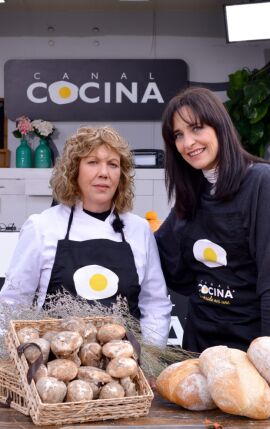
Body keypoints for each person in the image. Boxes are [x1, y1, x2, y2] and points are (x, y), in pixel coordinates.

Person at [155, 86, 270, 353]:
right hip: (200, 342)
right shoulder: (194, 191)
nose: (187, 143)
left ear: (219, 127)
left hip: (254, 342)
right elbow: (160, 253)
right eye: (178, 135)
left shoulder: (262, 181)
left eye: (196, 128)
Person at [0, 126, 172, 347]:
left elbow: (155, 304)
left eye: (113, 164)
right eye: (92, 162)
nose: (104, 173)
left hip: (124, 369)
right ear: (74, 170)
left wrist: (149, 358)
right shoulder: (42, 227)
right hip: (56, 371)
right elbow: (12, 303)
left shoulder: (139, 230)